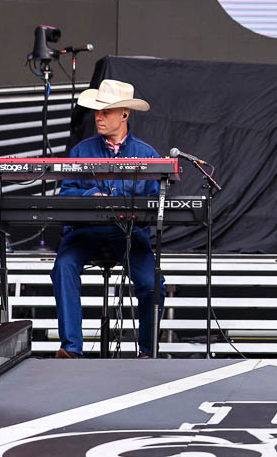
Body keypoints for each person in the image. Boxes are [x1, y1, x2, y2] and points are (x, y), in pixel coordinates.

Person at [50, 78, 164, 358]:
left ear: (125, 114)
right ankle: (71, 349)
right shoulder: (81, 151)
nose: (98, 118)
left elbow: (152, 206)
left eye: (105, 112)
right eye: (97, 112)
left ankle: (148, 352)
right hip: (85, 231)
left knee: (152, 284)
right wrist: (90, 196)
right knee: (63, 267)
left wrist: (125, 208)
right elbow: (66, 194)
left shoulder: (146, 154)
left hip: (127, 233)